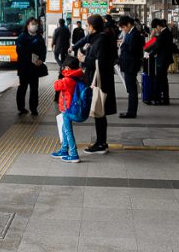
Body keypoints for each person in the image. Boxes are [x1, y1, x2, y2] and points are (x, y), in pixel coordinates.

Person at [81, 14, 117, 154]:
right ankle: (101, 142)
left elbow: (100, 63)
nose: (86, 27)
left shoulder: (101, 40)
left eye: (87, 25)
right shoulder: (100, 38)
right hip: (100, 80)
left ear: (92, 26)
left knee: (99, 112)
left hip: (100, 81)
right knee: (99, 113)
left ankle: (101, 143)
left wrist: (84, 58)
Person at [51, 56, 85, 163]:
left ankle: (74, 154)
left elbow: (56, 86)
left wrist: (62, 75)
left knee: (68, 131)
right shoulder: (78, 77)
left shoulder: (68, 79)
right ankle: (64, 150)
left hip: (67, 110)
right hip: (72, 108)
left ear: (68, 68)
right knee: (64, 129)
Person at [15, 16, 46, 116]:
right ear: (27, 25)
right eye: (32, 24)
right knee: (22, 88)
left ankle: (34, 108)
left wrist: (41, 60)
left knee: (34, 89)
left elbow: (43, 51)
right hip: (24, 67)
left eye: (36, 24)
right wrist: (30, 58)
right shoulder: (22, 37)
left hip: (35, 68)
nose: (34, 26)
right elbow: (19, 51)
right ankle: (21, 108)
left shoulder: (39, 38)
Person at [117, 16, 144, 118]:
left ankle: (131, 112)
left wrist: (122, 45)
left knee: (132, 90)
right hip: (128, 65)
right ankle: (130, 111)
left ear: (128, 24)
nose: (123, 29)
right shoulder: (130, 33)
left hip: (131, 66)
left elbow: (132, 49)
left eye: (124, 27)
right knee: (131, 89)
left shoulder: (134, 34)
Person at [148, 19, 177, 104]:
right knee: (163, 79)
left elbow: (157, 47)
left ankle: (158, 98)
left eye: (155, 29)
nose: (155, 31)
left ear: (158, 26)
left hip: (163, 59)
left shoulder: (163, 34)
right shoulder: (166, 32)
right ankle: (164, 98)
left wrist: (150, 54)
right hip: (165, 58)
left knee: (159, 79)